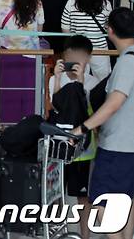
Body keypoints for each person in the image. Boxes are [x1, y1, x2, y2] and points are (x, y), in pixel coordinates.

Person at [70, 7, 134, 239]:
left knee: (100, 202)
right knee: (126, 199)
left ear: (110, 31)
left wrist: (84, 127)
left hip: (119, 146)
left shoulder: (128, 63)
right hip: (130, 146)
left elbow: (115, 102)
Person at [49, 35, 99, 239]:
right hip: (60, 146)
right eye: (70, 56)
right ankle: (56, 231)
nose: (74, 60)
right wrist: (58, 78)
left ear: (88, 58)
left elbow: (92, 113)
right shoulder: (54, 79)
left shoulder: (93, 82)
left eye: (79, 57)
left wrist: (80, 82)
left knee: (83, 196)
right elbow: (55, 106)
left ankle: (84, 234)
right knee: (56, 193)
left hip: (84, 150)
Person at [0, 0, 45, 123]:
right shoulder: (37, 4)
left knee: (9, 96)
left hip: (8, 55)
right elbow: (40, 30)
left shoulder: (1, 2)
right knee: (30, 96)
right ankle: (30, 128)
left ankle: (9, 128)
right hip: (31, 56)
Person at [61, 0, 113, 80]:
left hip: (77, 49)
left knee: (75, 80)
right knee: (103, 81)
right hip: (100, 50)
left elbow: (65, 29)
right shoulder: (106, 4)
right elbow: (108, 28)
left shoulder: (71, 2)